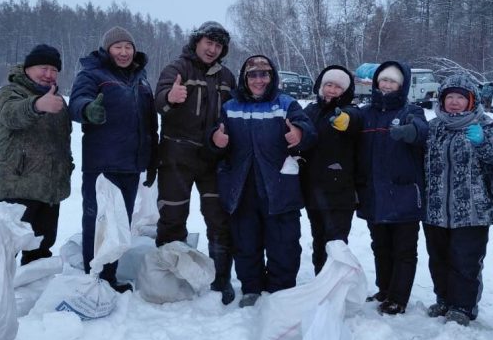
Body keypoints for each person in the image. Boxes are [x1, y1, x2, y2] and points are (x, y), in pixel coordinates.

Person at [210, 55, 316, 308]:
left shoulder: (286, 104)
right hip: (242, 186)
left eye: (264, 75)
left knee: (284, 242)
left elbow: (308, 129)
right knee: (246, 241)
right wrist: (215, 140)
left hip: (279, 185)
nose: (259, 80)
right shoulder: (231, 106)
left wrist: (299, 133)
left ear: (272, 77)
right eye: (253, 75)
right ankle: (251, 287)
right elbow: (215, 137)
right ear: (245, 79)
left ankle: (281, 289)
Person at [69, 26, 158, 293]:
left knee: (121, 224)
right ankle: (94, 276)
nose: (123, 52)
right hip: (103, 164)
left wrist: (151, 159)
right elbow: (76, 102)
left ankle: (110, 275)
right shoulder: (92, 73)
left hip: (131, 165)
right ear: (107, 49)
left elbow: (150, 123)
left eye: (128, 47)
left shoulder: (141, 79)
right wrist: (88, 109)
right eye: (118, 47)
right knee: (98, 222)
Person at [154, 21, 237, 304]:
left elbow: (234, 111)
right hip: (177, 154)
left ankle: (221, 279)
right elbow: (159, 100)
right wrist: (171, 97)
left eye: (218, 45)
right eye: (208, 43)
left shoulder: (227, 76)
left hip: (213, 157)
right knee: (173, 217)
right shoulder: (177, 68)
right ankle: (171, 279)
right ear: (197, 42)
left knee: (219, 217)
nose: (212, 49)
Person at [423, 74, 493, 326]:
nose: (455, 102)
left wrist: (481, 142)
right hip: (436, 209)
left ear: (471, 100)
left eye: (461, 97)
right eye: (450, 97)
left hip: (473, 210)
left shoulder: (485, 124)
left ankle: (464, 306)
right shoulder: (434, 126)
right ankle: (444, 299)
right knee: (438, 258)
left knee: (466, 260)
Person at [0, 44, 73, 268]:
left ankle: (30, 296)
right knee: (3, 253)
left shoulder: (58, 101)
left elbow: (63, 141)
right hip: (18, 187)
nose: (49, 74)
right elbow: (10, 115)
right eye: (43, 68)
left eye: (54, 70)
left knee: (40, 252)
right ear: (28, 68)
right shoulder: (11, 92)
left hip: (50, 190)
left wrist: (66, 169)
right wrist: (37, 105)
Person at [355, 61, 428, 315]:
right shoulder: (365, 113)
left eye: (392, 81)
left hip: (405, 193)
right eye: (383, 80)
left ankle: (398, 298)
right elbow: (350, 127)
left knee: (404, 249)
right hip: (374, 193)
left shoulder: (412, 111)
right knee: (380, 245)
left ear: (402, 85)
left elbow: (422, 131)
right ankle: (384, 289)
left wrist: (411, 132)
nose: (386, 85)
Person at [300, 65, 361, 274]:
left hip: (340, 192)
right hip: (313, 190)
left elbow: (355, 121)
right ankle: (321, 281)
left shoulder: (350, 111)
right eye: (329, 85)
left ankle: (336, 284)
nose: (332, 90)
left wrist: (346, 121)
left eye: (338, 87)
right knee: (319, 239)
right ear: (321, 86)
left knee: (336, 243)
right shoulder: (310, 111)